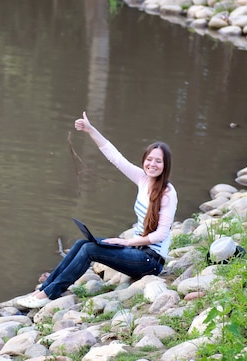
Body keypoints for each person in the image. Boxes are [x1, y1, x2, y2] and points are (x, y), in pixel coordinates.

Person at [17, 111, 178, 309]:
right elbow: (115, 157)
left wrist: (126, 241)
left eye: (158, 161)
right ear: (144, 160)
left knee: (90, 249)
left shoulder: (168, 193)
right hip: (135, 250)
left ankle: (49, 294)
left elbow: (161, 234)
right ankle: (44, 288)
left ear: (165, 165)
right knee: (81, 243)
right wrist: (90, 130)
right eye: (150, 159)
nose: (152, 164)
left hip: (150, 261)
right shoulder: (143, 179)